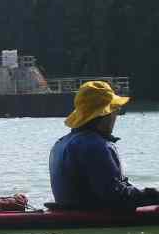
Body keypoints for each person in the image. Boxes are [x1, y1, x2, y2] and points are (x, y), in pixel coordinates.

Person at [49, 81, 159, 210]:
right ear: (105, 114)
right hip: (95, 216)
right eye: (115, 109)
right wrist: (152, 195)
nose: (116, 114)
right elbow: (117, 197)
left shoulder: (59, 144)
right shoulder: (94, 146)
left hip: (71, 213)